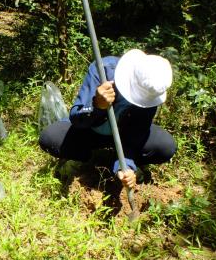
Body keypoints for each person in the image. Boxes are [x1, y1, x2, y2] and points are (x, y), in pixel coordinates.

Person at [39, 49, 177, 188]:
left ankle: (129, 163)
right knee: (50, 138)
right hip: (90, 130)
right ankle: (82, 158)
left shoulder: (151, 94)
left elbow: (135, 135)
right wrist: (97, 106)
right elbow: (76, 117)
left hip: (123, 135)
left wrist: (126, 166)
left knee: (165, 147)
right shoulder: (103, 69)